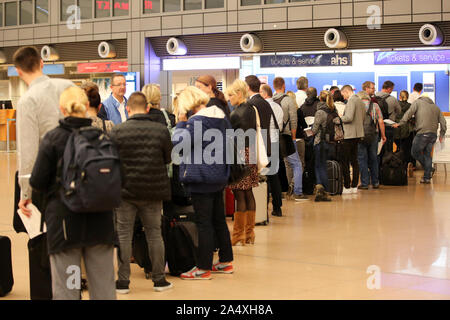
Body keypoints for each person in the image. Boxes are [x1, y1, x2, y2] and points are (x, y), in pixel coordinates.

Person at [29, 86, 116, 300]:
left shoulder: (53, 138)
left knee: (69, 288)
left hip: (66, 227)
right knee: (103, 289)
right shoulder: (103, 137)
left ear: (62, 109)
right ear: (87, 106)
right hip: (101, 224)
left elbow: (38, 182)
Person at [13, 46, 74, 300]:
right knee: (70, 242)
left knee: (41, 244)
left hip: (46, 184)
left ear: (17, 71)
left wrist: (25, 193)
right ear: (42, 62)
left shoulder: (27, 100)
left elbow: (27, 154)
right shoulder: (68, 87)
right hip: (77, 179)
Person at [110, 92, 173, 293]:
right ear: (147, 108)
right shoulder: (161, 130)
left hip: (125, 192)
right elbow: (167, 158)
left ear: (128, 109)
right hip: (153, 191)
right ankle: (159, 280)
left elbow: (112, 161)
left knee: (124, 236)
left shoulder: (117, 131)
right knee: (155, 235)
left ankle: (123, 282)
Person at [173, 86, 234, 279]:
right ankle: (225, 261)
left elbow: (178, 145)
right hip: (218, 175)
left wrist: (181, 124)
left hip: (201, 177)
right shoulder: (221, 117)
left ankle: (203, 267)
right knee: (218, 221)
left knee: (204, 224)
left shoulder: (197, 121)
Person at [226, 79, 259, 246]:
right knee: (248, 192)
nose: (229, 98)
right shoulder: (252, 109)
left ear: (239, 94)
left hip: (239, 153)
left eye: (231, 95)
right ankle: (249, 233)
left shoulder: (236, 113)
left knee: (239, 194)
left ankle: (238, 234)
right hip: (251, 152)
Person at [393, 96, 447, 184]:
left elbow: (408, 113)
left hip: (422, 133)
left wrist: (400, 123)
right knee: (427, 155)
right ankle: (427, 177)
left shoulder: (417, 102)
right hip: (433, 135)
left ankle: (429, 168)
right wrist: (442, 134)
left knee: (414, 152)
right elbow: (443, 122)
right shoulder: (436, 107)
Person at [273, 77, 308, 201]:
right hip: (286, 136)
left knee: (281, 165)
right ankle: (297, 192)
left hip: (273, 137)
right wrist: (293, 137)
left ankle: (284, 190)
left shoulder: (271, 100)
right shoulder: (288, 100)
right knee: (297, 164)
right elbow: (293, 120)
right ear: (283, 85)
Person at [260, 84, 283, 216]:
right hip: (275, 142)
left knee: (262, 177)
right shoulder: (278, 107)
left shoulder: (261, 107)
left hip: (264, 144)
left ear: (264, 93)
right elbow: (279, 126)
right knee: (274, 176)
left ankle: (263, 207)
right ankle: (277, 206)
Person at [356, 90, 386, 189]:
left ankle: (364, 183)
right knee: (373, 159)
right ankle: (375, 182)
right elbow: (381, 121)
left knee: (362, 159)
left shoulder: (357, 105)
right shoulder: (375, 106)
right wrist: (383, 135)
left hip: (360, 135)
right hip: (373, 135)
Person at [340, 85, 366, 194]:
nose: (344, 98)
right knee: (354, 161)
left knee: (345, 161)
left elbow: (349, 118)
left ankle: (346, 186)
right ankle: (354, 185)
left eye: (343, 95)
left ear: (347, 92)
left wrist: (339, 117)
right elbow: (362, 117)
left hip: (349, 135)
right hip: (358, 134)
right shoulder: (360, 101)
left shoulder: (351, 101)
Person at [310, 91, 335, 202]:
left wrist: (308, 132)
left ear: (320, 99)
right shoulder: (334, 110)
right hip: (330, 142)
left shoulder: (320, 112)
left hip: (319, 141)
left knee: (318, 166)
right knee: (323, 165)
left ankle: (321, 189)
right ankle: (326, 191)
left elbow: (315, 130)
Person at [245, 75, 274, 157]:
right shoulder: (266, 103)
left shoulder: (250, 104)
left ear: (248, 87)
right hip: (267, 144)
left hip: (255, 146)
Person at [375, 80, 402, 150]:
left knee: (376, 148)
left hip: (376, 126)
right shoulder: (393, 99)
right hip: (388, 126)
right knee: (388, 148)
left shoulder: (373, 97)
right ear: (389, 89)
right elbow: (399, 111)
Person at [395, 90, 416, 176]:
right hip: (408, 130)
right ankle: (410, 164)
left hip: (397, 129)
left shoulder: (396, 105)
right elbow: (413, 118)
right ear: (407, 97)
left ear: (400, 96)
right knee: (408, 148)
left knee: (399, 147)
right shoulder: (410, 106)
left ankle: (399, 164)